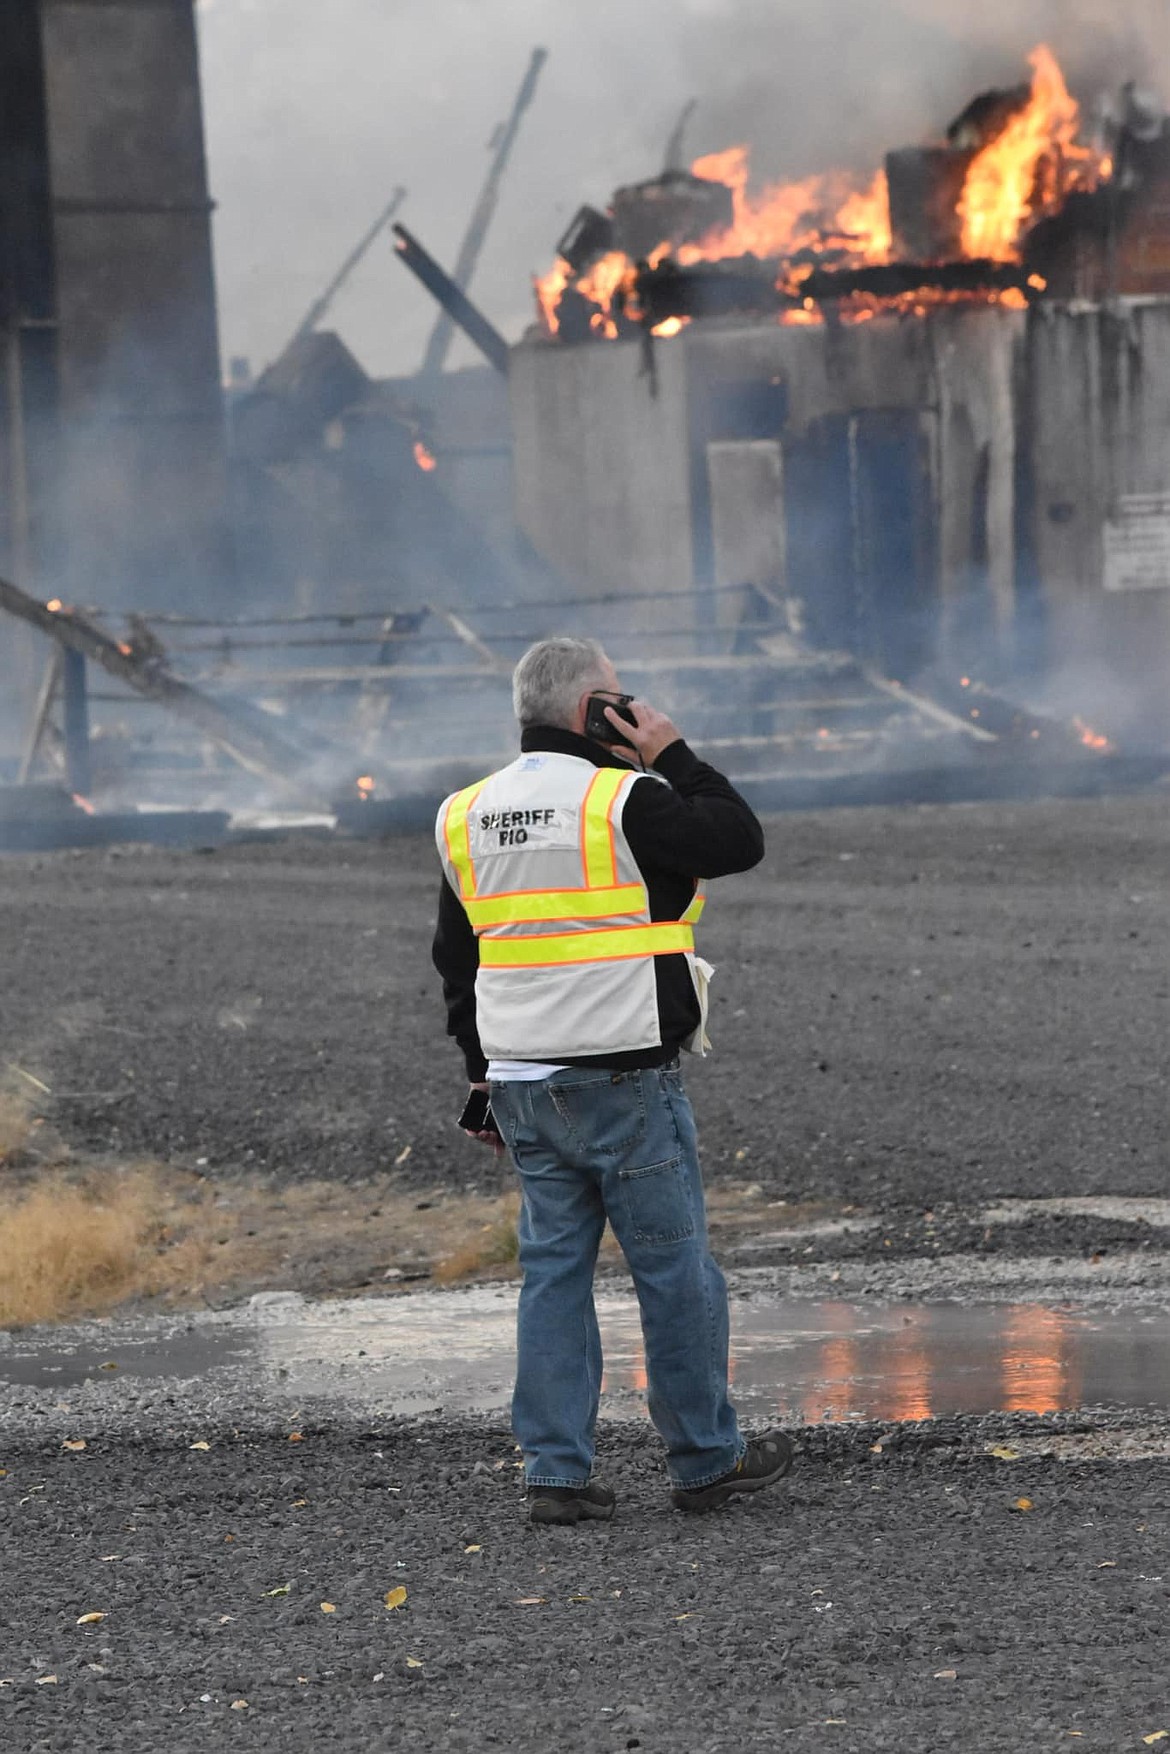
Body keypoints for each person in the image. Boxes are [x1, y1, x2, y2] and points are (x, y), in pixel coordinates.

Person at [432, 635, 793, 1525]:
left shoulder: (464, 813)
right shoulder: (625, 798)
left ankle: (555, 1474)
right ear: (595, 711)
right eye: (617, 699)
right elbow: (737, 839)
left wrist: (481, 1080)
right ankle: (706, 1460)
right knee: (674, 1274)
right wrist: (668, 747)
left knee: (553, 1277)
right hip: (625, 1080)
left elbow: (459, 962)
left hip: (522, 1084)